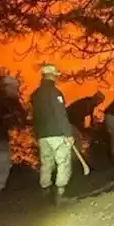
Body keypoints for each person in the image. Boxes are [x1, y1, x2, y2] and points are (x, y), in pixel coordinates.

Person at [30, 64, 75, 204]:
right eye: (55, 75)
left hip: (43, 135)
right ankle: (60, 194)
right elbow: (60, 114)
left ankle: (45, 192)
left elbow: (35, 117)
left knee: (46, 163)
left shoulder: (35, 95)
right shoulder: (55, 93)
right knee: (63, 161)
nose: (56, 77)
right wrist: (68, 133)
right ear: (50, 75)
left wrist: (37, 134)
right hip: (57, 133)